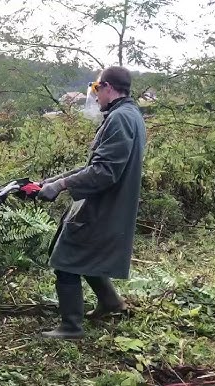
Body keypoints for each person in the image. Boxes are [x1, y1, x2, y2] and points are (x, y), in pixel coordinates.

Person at [35, 66, 147, 339]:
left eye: (97, 89)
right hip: (109, 203)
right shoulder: (130, 114)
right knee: (85, 257)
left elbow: (104, 172)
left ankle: (70, 327)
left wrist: (60, 186)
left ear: (108, 87)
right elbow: (97, 165)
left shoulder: (120, 118)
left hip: (104, 206)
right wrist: (55, 179)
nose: (95, 96)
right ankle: (112, 303)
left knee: (67, 258)